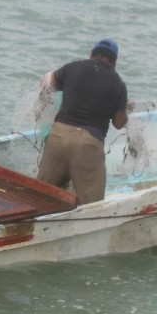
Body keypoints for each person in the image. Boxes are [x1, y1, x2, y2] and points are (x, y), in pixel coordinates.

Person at [36, 38, 130, 205]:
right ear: (114, 62)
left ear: (91, 55)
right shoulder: (118, 84)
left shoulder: (74, 67)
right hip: (88, 146)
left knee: (41, 195)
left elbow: (49, 84)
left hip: (58, 137)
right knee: (92, 206)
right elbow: (119, 122)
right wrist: (126, 108)